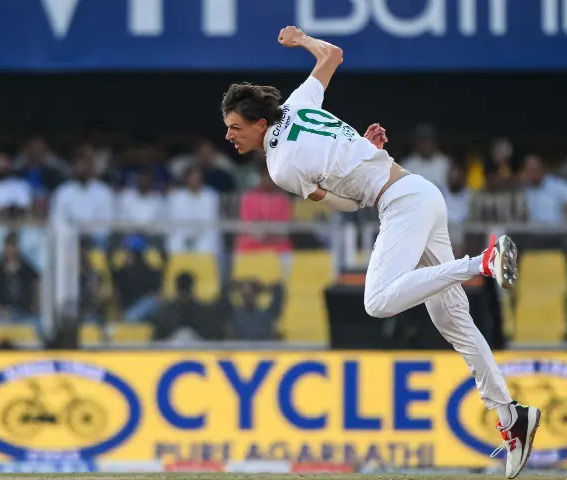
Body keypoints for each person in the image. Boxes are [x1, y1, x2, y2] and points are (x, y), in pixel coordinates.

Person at [219, 25, 538, 480]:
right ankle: (511, 416)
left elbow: (347, 205)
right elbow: (332, 56)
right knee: (453, 321)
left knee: (377, 301)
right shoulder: (298, 103)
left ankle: (480, 263)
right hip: (420, 191)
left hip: (401, 203)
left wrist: (358, 165)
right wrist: (302, 41)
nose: (230, 137)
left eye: (235, 128)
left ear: (259, 124)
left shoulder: (280, 167)